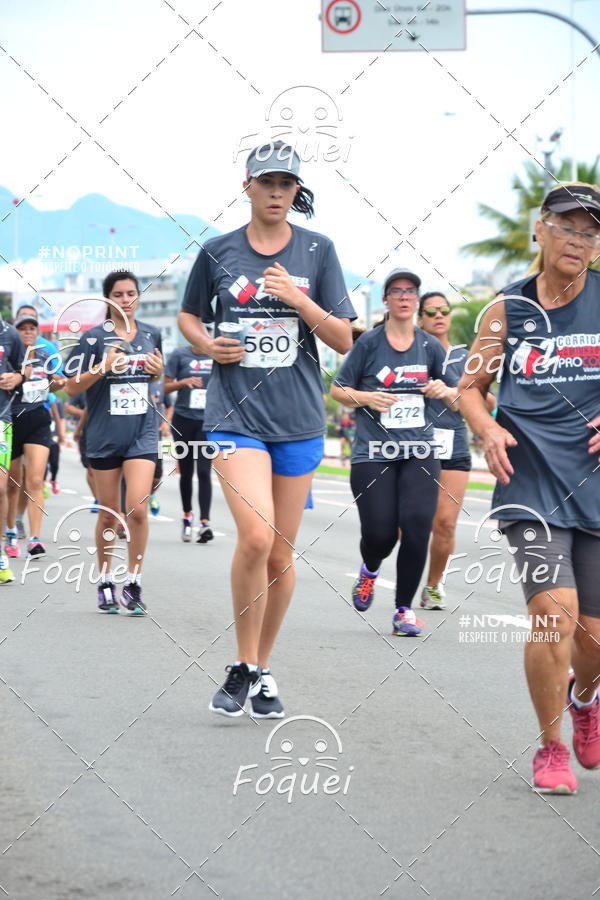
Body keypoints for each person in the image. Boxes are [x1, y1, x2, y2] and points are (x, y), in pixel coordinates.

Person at [178, 141, 354, 717]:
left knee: (280, 556)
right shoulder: (218, 251)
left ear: (296, 191)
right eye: (268, 183)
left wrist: (299, 299)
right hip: (234, 415)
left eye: (288, 185)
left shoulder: (319, 251)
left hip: (298, 421)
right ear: (247, 185)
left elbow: (344, 340)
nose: (278, 193)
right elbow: (187, 314)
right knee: (255, 538)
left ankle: (260, 668)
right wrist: (206, 343)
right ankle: (240, 662)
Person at [459, 182, 600, 795]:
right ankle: (549, 749)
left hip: (594, 482)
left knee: (593, 636)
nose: (579, 240)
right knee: (553, 614)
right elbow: (470, 387)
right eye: (568, 227)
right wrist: (487, 427)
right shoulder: (506, 311)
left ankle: (585, 700)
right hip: (531, 483)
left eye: (591, 232)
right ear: (539, 231)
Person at [331, 268, 458, 636]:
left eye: (410, 292)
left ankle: (403, 610)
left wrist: (441, 391)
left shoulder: (429, 346)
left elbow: (454, 395)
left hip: (419, 449)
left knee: (418, 527)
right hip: (374, 452)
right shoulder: (369, 344)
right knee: (381, 533)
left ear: (416, 302)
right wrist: (368, 397)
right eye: (396, 291)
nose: (404, 296)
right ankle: (369, 570)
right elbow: (339, 389)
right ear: (386, 300)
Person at [65, 270, 163, 615]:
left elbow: (155, 379)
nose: (125, 299)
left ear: (138, 297)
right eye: (118, 294)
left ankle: (133, 582)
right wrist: (103, 368)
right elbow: (72, 386)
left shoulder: (153, 333)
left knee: (136, 508)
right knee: (108, 516)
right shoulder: (92, 339)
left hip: (142, 432)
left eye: (131, 293)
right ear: (108, 300)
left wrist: (157, 371)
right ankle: (105, 580)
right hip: (104, 436)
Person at [417, 292, 496, 609]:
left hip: (453, 445)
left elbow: (490, 403)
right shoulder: (408, 352)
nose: (439, 315)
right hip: (411, 445)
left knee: (446, 523)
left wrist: (454, 393)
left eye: (444, 310)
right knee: (399, 525)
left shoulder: (467, 358)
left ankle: (433, 586)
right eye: (431, 311)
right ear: (419, 318)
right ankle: (373, 565)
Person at [5, 315, 65, 558]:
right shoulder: (9, 354)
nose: (28, 332)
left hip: (38, 419)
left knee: (36, 481)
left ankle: (34, 539)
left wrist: (57, 385)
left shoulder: (45, 355)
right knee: (11, 484)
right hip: (11, 420)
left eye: (32, 328)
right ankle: (10, 531)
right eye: (23, 329)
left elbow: (56, 383)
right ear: (15, 332)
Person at [164, 343, 214, 542]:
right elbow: (164, 386)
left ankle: (204, 523)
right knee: (186, 472)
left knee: (204, 471)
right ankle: (187, 516)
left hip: (208, 421)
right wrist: (183, 382)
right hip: (183, 419)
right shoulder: (179, 354)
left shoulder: (217, 354)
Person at [0, 319, 26, 582]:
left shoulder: (9, 334)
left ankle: (0, 556)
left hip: (2, 417)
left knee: (0, 487)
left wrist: (15, 377)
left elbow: (23, 371)